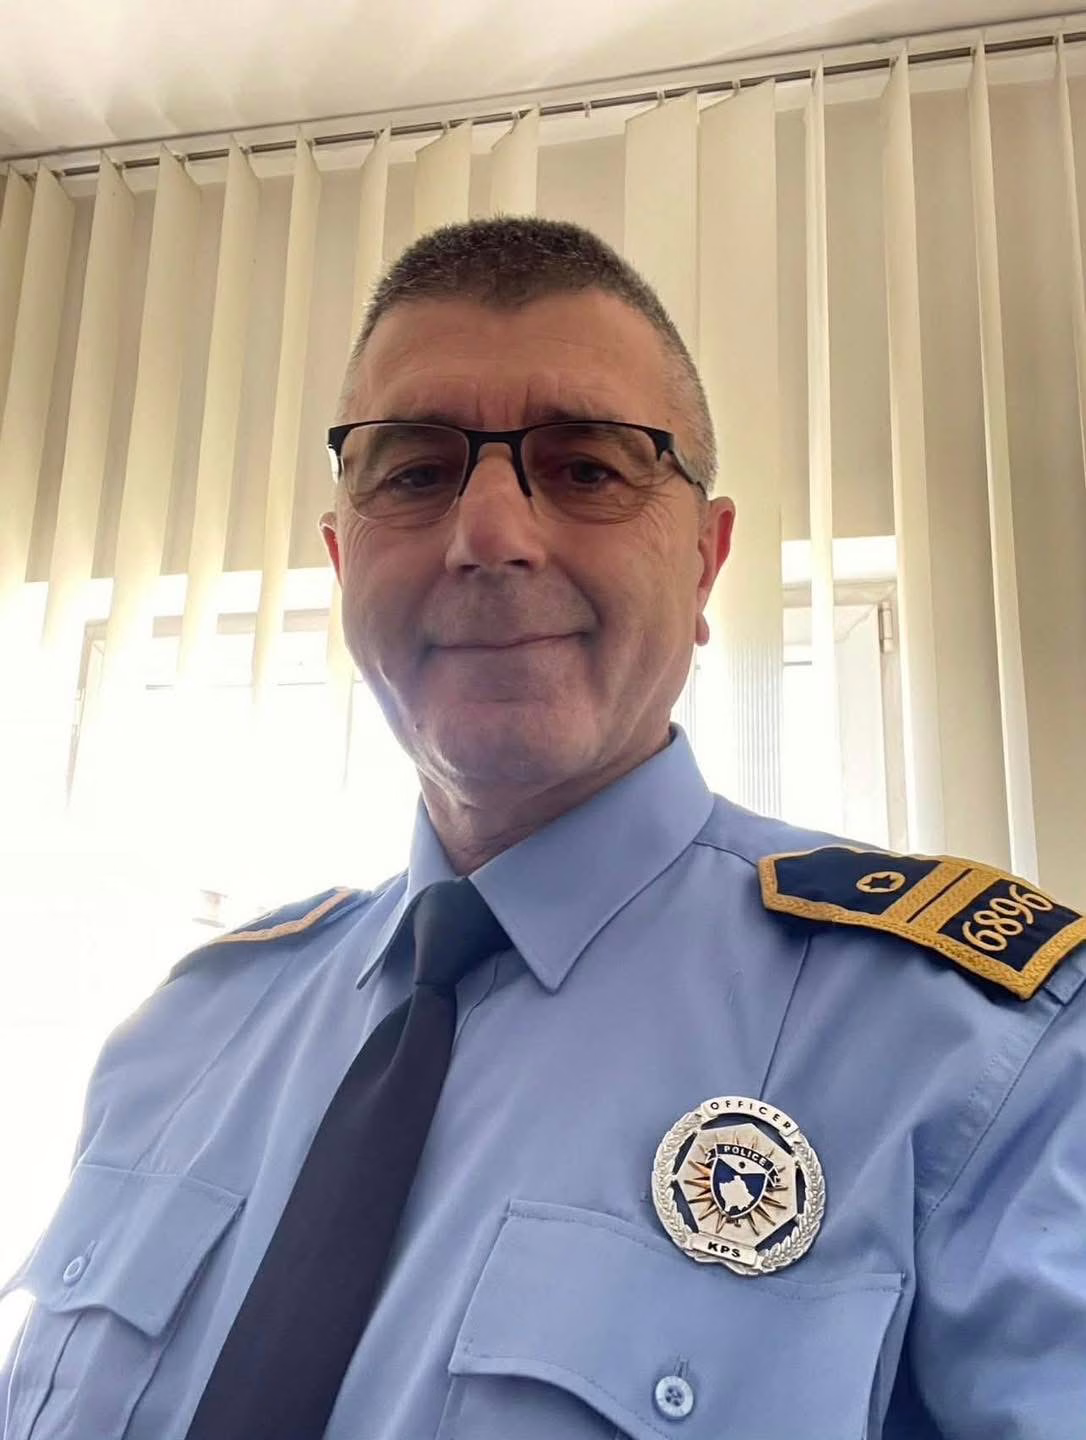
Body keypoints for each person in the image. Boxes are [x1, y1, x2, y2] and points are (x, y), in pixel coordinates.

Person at [2, 215, 1084, 1440]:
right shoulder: (183, 1037)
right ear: (342, 561)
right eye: (415, 474)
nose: (491, 538)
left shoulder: (985, 1057)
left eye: (587, 470)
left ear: (706, 562)